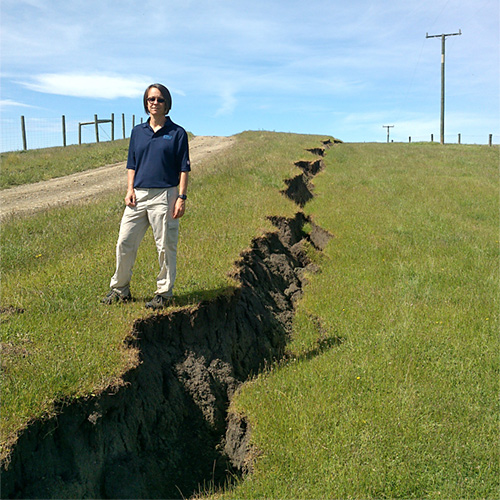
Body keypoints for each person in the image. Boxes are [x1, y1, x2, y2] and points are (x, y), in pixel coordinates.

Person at [102, 83, 190, 309]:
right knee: (124, 242)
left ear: (167, 104)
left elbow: (184, 168)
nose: (155, 103)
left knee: (165, 246)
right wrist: (129, 189)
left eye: (160, 99)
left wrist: (181, 197)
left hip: (165, 196)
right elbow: (132, 164)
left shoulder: (177, 133)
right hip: (138, 196)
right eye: (151, 99)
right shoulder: (137, 132)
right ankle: (120, 290)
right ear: (145, 102)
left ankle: (164, 293)